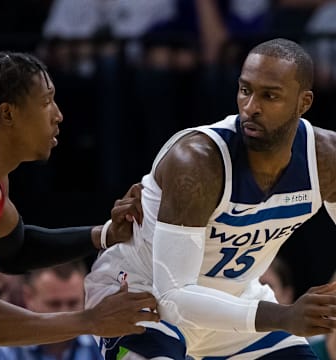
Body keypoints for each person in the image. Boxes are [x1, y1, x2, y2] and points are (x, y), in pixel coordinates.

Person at [84, 37, 336, 359]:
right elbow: (174, 295)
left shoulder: (326, 160)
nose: (250, 107)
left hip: (232, 303)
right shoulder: (197, 162)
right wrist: (285, 316)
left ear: (304, 102)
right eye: (245, 90)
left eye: (269, 95)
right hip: (143, 296)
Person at [0, 51, 159, 346]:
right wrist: (90, 320)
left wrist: (104, 235)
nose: (58, 114)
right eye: (46, 101)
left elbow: (15, 250)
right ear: (7, 113)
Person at [0, 261, 103, 360]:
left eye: (73, 303)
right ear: (28, 297)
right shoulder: (1, 350)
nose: (65, 312)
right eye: (54, 304)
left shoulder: (103, 344)